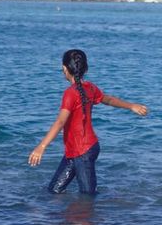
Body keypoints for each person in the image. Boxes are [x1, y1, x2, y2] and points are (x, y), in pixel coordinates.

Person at [28, 49, 148, 194]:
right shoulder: (89, 88)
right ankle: (62, 216)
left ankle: (92, 215)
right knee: (54, 190)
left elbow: (60, 122)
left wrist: (42, 146)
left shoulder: (71, 93)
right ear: (85, 68)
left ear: (64, 68)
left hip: (83, 152)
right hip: (77, 150)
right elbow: (108, 100)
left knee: (88, 197)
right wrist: (131, 106)